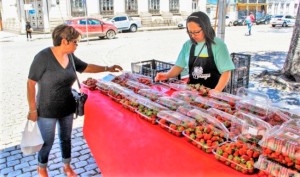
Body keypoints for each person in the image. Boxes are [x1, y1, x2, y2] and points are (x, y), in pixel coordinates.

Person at [27, 24, 123, 177]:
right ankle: (42, 167)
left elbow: (86, 67)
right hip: (46, 109)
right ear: (65, 41)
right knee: (47, 141)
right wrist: (32, 109)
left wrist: (107, 68)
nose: (77, 45)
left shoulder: (70, 57)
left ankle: (67, 166)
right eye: (75, 42)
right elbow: (30, 83)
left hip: (67, 106)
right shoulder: (43, 57)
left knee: (66, 139)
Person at [155, 11, 235, 92]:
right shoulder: (188, 45)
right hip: (193, 93)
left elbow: (226, 72)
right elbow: (179, 66)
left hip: (213, 93)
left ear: (205, 28)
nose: (193, 35)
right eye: (190, 32)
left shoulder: (218, 44)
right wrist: (166, 75)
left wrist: (216, 91)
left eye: (196, 32)